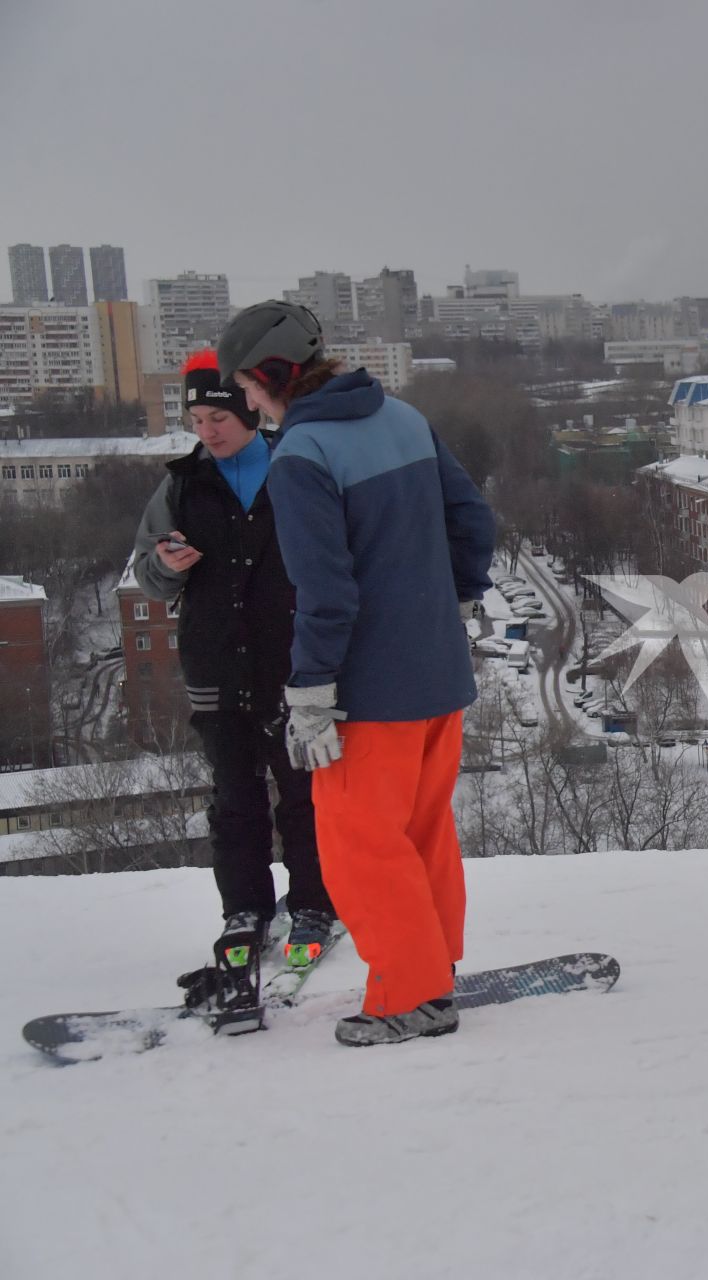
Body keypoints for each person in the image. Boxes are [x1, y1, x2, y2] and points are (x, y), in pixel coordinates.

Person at [216, 301, 496, 1047]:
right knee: (422, 831)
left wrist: (310, 692)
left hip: (370, 694)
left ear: (272, 373)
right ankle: (432, 969)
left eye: (244, 383)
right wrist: (454, 597)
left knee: (361, 848)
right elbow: (473, 522)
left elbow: (327, 592)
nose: (243, 400)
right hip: (438, 676)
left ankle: (412, 995)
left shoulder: (303, 455)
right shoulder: (403, 418)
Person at [131, 350, 336, 975]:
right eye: (195, 419)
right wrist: (165, 567)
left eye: (215, 416)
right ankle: (244, 911)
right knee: (234, 797)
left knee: (305, 795)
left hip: (292, 666)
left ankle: (316, 905)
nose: (206, 430)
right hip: (216, 667)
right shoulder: (181, 485)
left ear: (248, 405)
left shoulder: (296, 467)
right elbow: (147, 576)